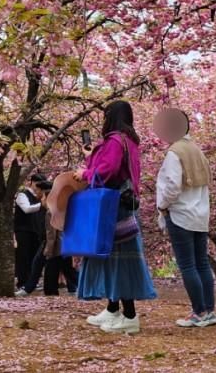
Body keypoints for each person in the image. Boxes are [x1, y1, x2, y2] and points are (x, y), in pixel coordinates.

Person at [74, 100, 156, 334]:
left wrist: (85, 172)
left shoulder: (114, 140)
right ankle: (113, 308)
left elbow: (107, 172)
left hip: (114, 208)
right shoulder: (129, 141)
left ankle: (129, 314)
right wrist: (91, 157)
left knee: (118, 259)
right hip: (123, 204)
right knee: (115, 258)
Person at [155, 108, 216, 328]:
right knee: (202, 264)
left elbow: (172, 185)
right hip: (200, 215)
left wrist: (162, 206)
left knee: (188, 265)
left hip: (180, 214)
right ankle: (209, 311)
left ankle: (199, 311)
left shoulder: (175, 152)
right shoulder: (197, 151)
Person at [14, 174, 46, 289]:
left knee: (34, 257)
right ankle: (22, 282)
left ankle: (32, 282)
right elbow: (26, 209)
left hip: (35, 231)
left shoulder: (39, 197)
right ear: (31, 182)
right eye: (37, 183)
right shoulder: (22, 195)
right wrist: (41, 204)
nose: (38, 187)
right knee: (23, 257)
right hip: (23, 230)